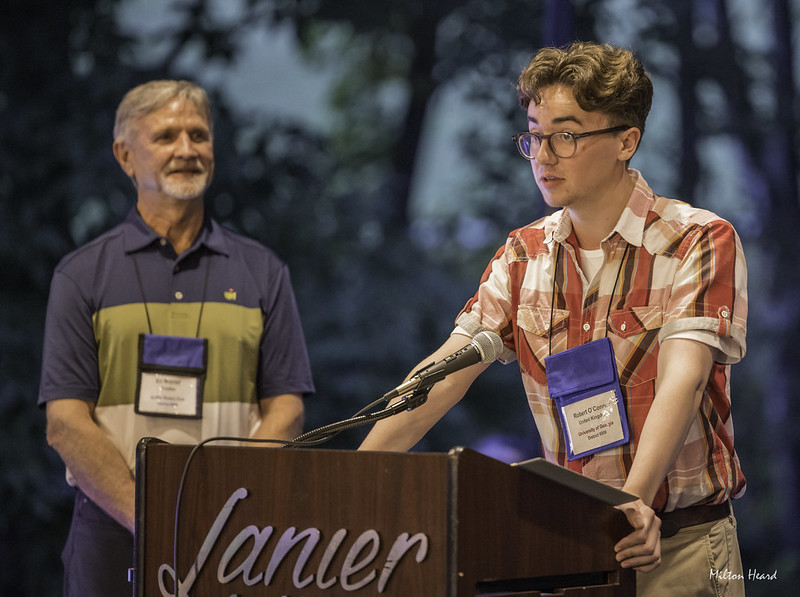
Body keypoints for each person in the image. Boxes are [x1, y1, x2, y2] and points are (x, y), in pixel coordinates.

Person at [359, 42, 747, 596]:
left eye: (565, 134)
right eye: (534, 135)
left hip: (682, 546)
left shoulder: (697, 240)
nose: (543, 155)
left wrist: (632, 503)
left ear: (625, 141)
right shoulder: (523, 254)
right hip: (570, 544)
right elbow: (442, 376)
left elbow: (682, 384)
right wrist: (351, 480)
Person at [38, 80, 315, 596]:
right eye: (166, 136)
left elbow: (287, 410)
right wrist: (148, 518)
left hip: (235, 531)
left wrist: (229, 506)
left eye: (198, 135)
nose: (187, 150)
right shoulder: (81, 275)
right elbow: (65, 424)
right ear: (125, 156)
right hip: (111, 529)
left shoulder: (263, 271)